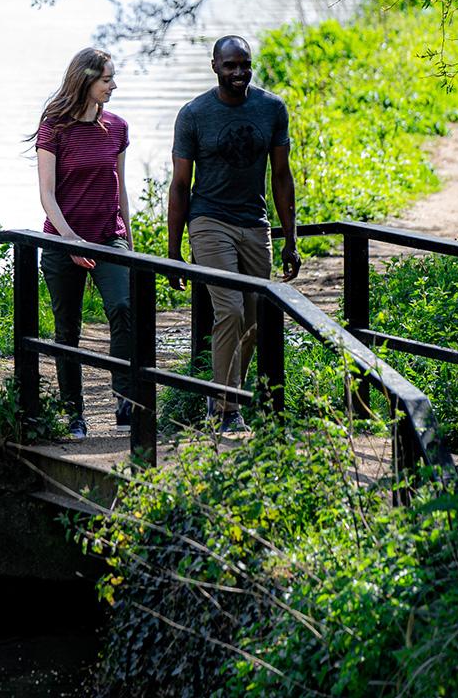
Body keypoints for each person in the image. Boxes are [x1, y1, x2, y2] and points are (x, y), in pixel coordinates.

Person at [167, 35, 301, 436]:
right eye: (230, 66)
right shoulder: (194, 115)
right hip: (209, 221)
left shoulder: (271, 109)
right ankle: (225, 409)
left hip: (254, 222)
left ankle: (223, 394)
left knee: (257, 318)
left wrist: (290, 238)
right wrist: (174, 250)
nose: (239, 73)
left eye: (245, 65)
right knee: (230, 310)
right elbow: (179, 185)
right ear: (215, 67)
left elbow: (281, 176)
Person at [32, 48, 134, 440]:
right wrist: (71, 239)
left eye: (112, 78)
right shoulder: (54, 127)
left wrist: (130, 241)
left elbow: (120, 188)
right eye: (107, 79)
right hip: (62, 242)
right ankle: (74, 414)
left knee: (124, 307)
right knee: (67, 330)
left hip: (109, 237)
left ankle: (126, 401)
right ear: (86, 81)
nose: (113, 85)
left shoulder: (118, 127)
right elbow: (47, 195)